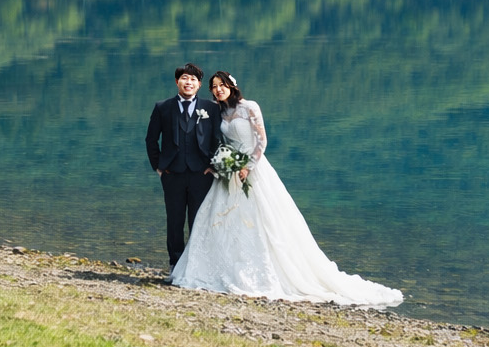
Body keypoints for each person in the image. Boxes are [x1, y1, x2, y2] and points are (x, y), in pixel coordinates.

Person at [170, 71, 403, 307]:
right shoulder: (219, 111)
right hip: (229, 173)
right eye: (215, 87)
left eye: (222, 85)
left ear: (233, 86)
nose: (218, 89)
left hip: (254, 169)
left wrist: (248, 166)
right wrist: (220, 165)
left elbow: (262, 140)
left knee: (265, 221)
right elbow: (220, 142)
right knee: (218, 220)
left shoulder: (249, 107)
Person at [145, 63, 222, 267]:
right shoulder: (162, 107)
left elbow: (217, 139)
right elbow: (151, 140)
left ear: (199, 85)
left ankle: (197, 265)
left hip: (201, 173)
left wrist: (213, 165)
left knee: (199, 220)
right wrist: (159, 167)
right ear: (177, 81)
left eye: (193, 79)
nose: (189, 82)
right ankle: (175, 264)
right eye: (185, 78)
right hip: (172, 173)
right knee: (175, 220)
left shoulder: (211, 108)